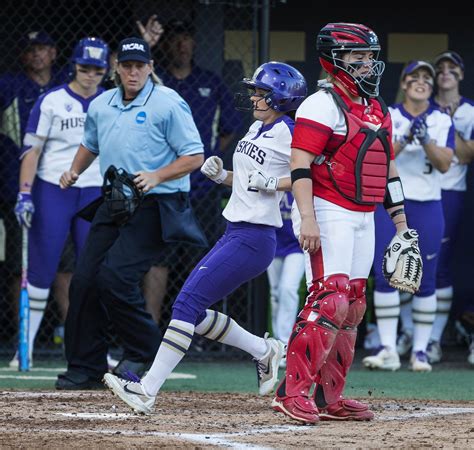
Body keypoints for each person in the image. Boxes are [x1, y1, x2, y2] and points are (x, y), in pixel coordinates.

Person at [102, 61, 307, 414]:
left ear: (278, 98)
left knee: (184, 306)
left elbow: (309, 174)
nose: (254, 97)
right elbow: (250, 180)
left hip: (256, 237)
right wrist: (223, 176)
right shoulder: (258, 129)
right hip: (237, 231)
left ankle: (148, 389)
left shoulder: (288, 130)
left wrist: (276, 184)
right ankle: (264, 350)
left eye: (261, 92)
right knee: (193, 313)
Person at [271, 22, 412, 425]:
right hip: (328, 209)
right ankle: (291, 392)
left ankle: (329, 396)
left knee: (352, 304)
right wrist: (308, 218)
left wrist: (401, 225)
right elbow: (300, 166)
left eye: (370, 56)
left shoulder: (376, 107)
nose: (368, 64)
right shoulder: (320, 104)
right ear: (336, 60)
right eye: (359, 57)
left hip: (365, 214)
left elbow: (387, 167)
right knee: (328, 299)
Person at [55, 36, 205, 389]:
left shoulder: (169, 103)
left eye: (140, 66)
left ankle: (145, 352)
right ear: (117, 69)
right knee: (85, 281)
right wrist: (74, 170)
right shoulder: (102, 104)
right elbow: (90, 143)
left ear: (150, 68)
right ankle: (86, 367)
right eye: (127, 66)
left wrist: (156, 175)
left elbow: (194, 156)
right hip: (116, 199)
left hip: (158, 203)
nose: (133, 72)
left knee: (116, 277)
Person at [10, 37, 109, 368]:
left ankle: (95, 351)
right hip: (53, 187)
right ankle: (24, 348)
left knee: (92, 271)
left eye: (97, 69)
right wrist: (25, 192)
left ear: (106, 70)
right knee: (42, 266)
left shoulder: (112, 102)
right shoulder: (51, 100)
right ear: (74, 66)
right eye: (85, 68)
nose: (90, 75)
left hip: (95, 189)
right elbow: (32, 150)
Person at [138, 17, 242, 325]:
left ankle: (197, 328)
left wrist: (208, 158)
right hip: (166, 185)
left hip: (203, 188)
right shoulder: (160, 83)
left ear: (195, 44)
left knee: (203, 259)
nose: (183, 46)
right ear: (168, 46)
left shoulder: (210, 80)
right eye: (177, 40)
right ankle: (152, 329)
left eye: (187, 40)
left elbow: (227, 130)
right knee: (160, 258)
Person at [364, 60, 454, 373]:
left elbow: (445, 163)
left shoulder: (441, 119)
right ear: (404, 84)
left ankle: (420, 351)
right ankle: (388, 348)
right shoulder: (389, 116)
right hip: (391, 203)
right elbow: (379, 157)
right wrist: (403, 140)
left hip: (428, 204)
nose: (421, 82)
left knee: (425, 278)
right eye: (414, 77)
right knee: (386, 272)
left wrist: (426, 139)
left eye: (426, 79)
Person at [0, 31, 68, 348]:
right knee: (21, 264)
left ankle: (71, 336)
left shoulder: (68, 85)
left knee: (67, 266)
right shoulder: (9, 85)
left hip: (62, 187)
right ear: (23, 56)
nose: (37, 55)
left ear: (53, 53)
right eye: (31, 50)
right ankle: (24, 338)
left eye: (43, 48)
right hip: (18, 190)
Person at [425, 51, 474, 364]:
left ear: (460, 75)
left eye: (451, 68)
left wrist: (447, 121)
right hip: (419, 191)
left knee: (439, 265)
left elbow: (467, 155)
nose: (445, 73)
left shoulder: (468, 111)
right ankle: (408, 335)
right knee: (411, 264)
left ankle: (432, 340)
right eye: (440, 68)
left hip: (451, 193)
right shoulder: (420, 106)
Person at [267, 191, 304, 364]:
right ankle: (278, 343)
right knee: (275, 293)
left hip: (297, 244)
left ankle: (284, 343)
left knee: (287, 288)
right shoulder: (272, 169)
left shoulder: (303, 171)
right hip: (273, 241)